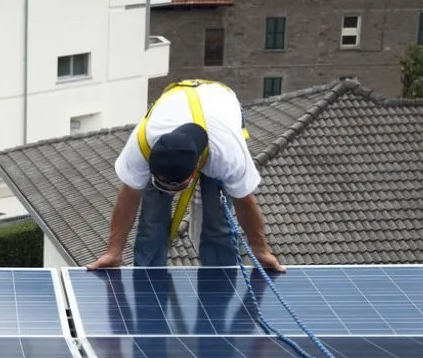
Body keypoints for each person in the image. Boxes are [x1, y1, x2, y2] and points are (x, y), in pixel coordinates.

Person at [87, 79, 285, 272]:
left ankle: (217, 286)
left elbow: (245, 202)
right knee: (151, 220)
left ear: (197, 167)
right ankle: (149, 282)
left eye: (178, 186)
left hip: (218, 102)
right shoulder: (142, 144)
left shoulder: (227, 154)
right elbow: (129, 195)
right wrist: (113, 251)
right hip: (175, 101)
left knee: (217, 224)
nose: (171, 191)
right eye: (163, 184)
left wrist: (260, 250)